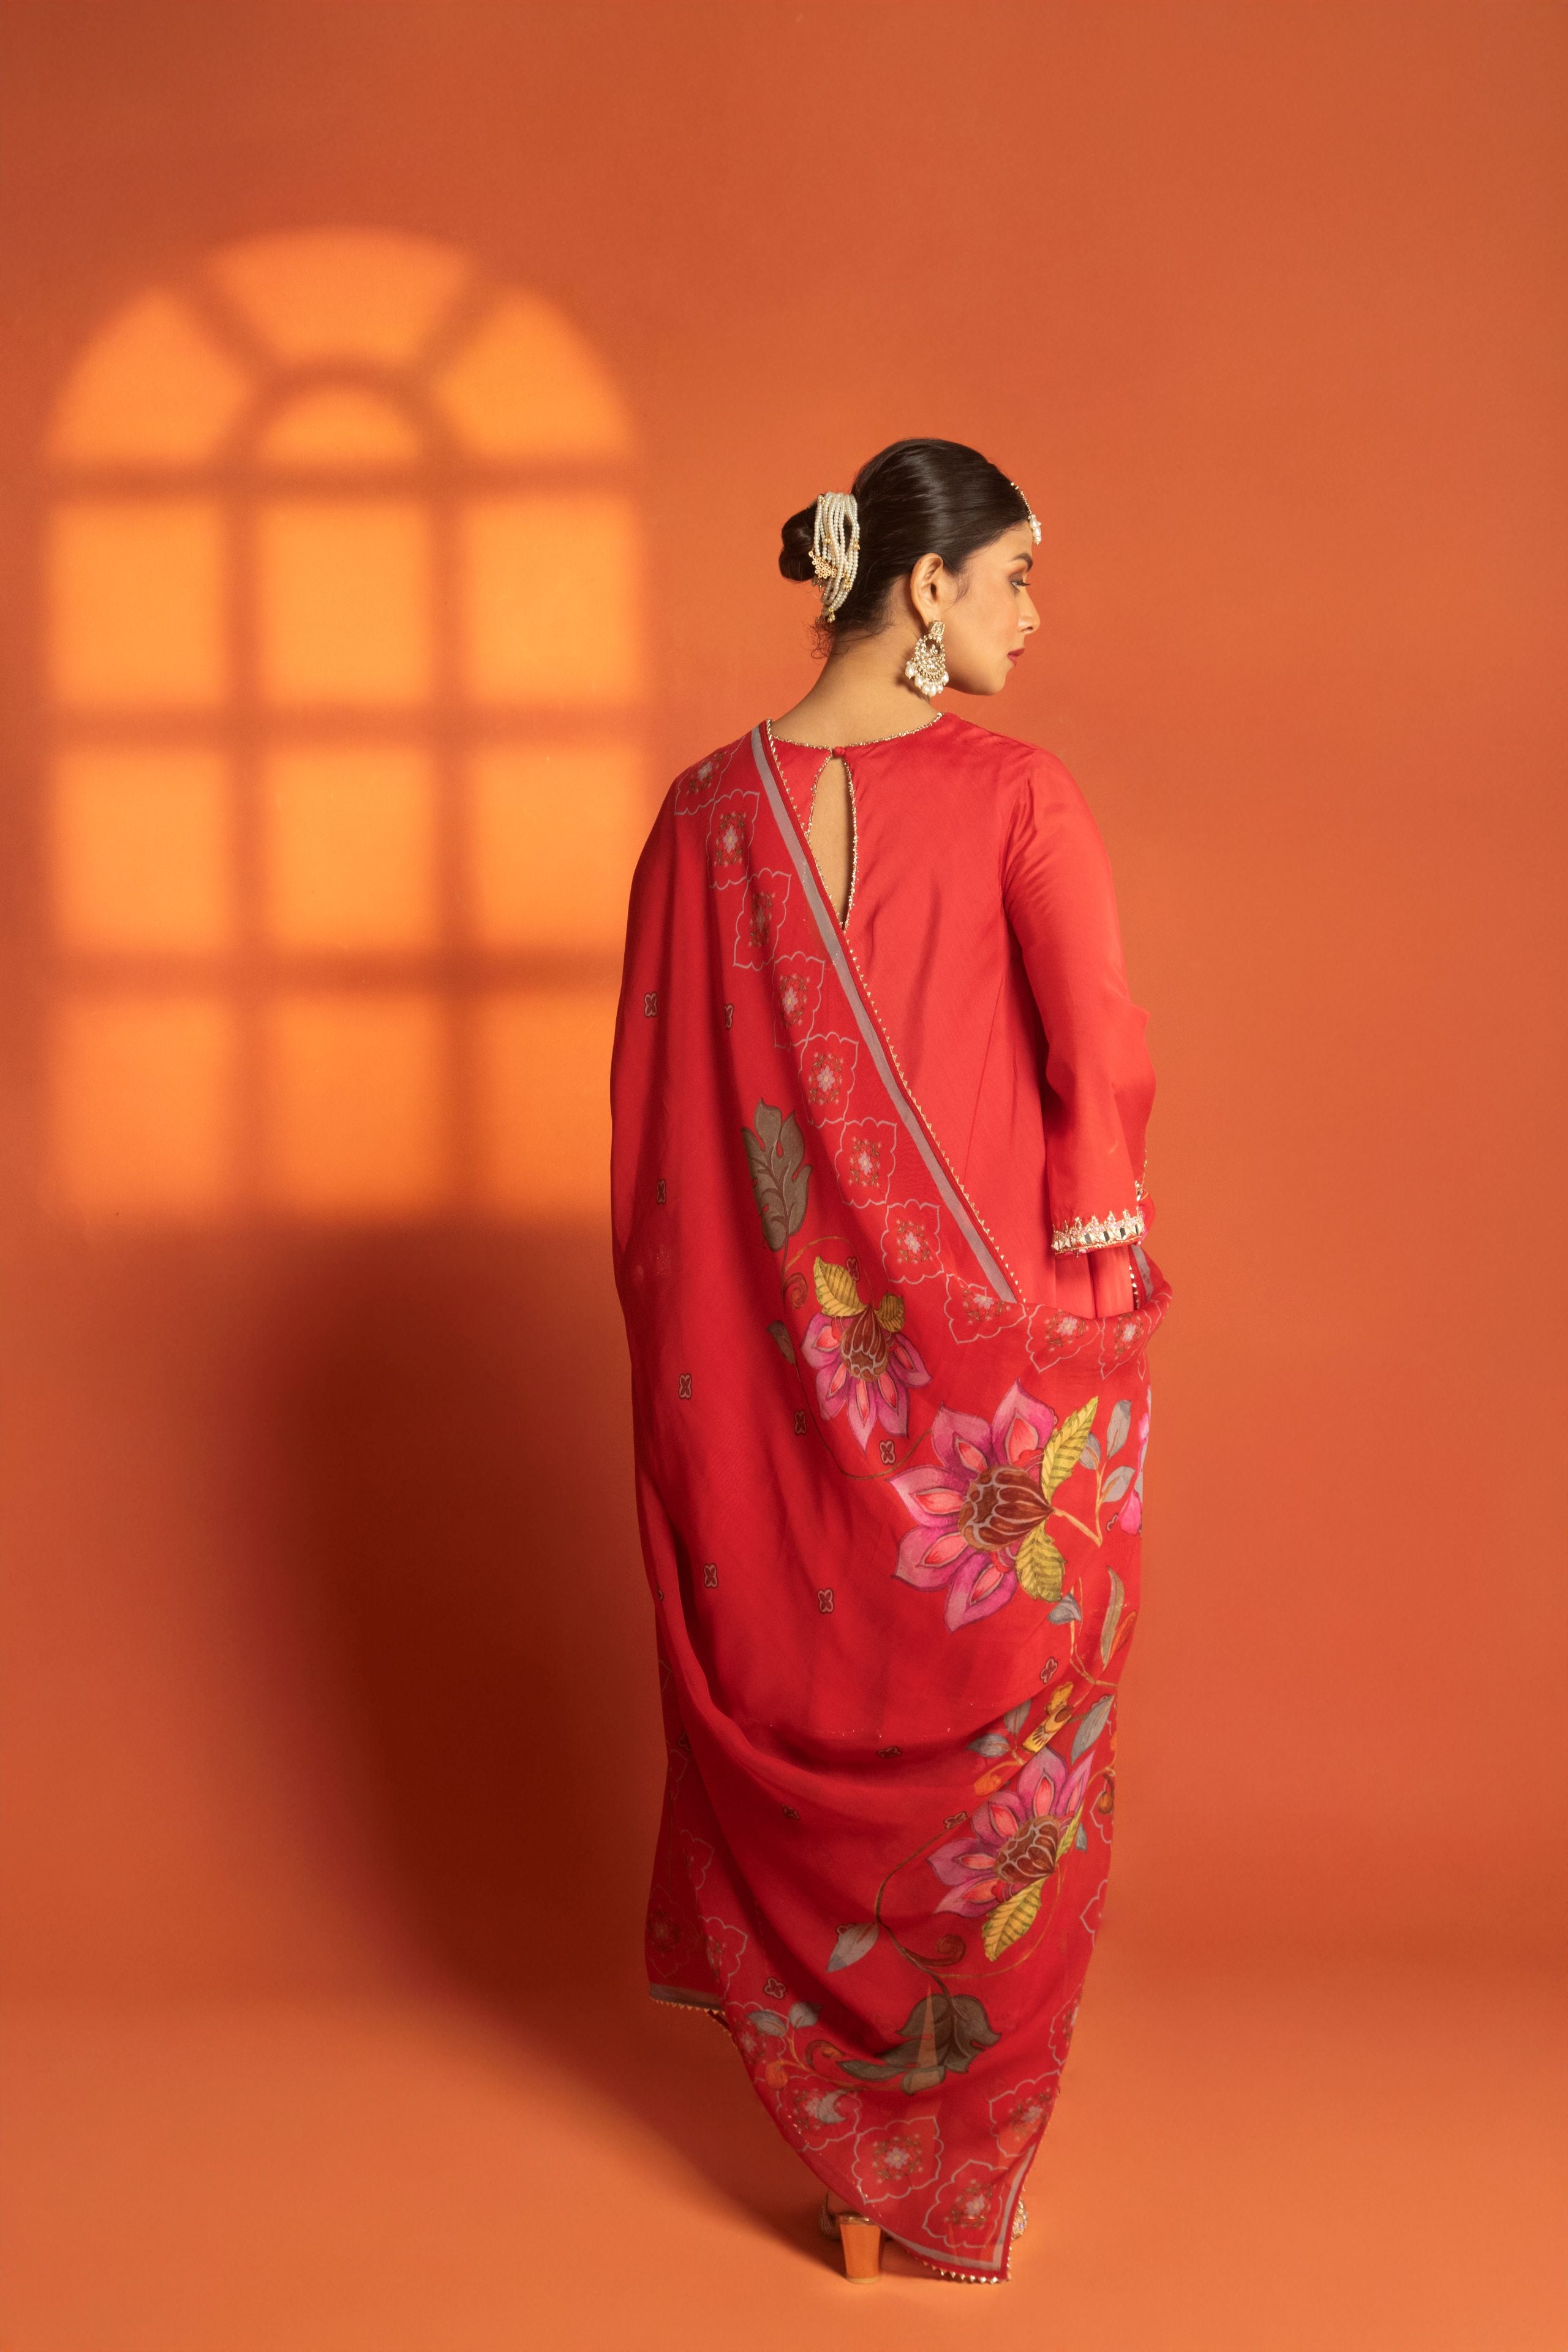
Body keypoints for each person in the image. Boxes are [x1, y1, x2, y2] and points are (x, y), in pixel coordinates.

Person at [609, 439, 1170, 2285]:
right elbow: (1099, 1077)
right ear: (923, 591)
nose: (1031, 612)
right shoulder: (1021, 797)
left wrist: (742, 1373)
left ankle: (859, 2148)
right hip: (1002, 1404)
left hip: (773, 1385)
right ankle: (930, 2153)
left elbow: (658, 1153)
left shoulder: (701, 818)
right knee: (1008, 1737)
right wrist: (1088, 1295)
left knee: (823, 1669)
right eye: (1013, 575)